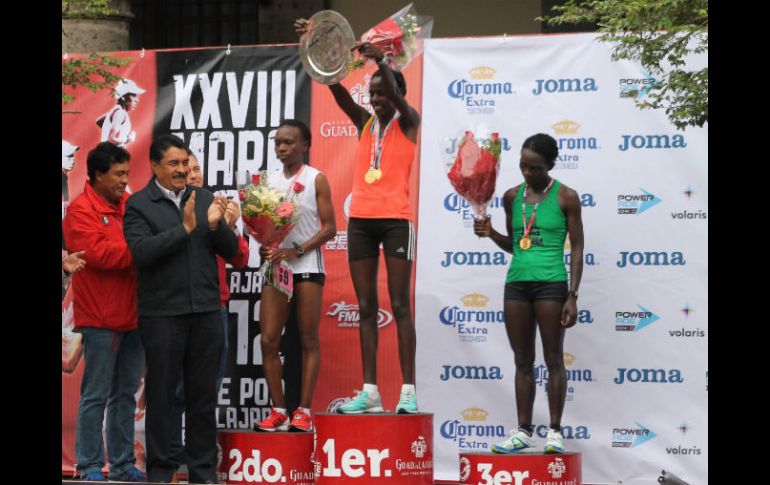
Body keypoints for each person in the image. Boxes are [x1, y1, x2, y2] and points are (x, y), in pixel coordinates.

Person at [295, 20, 421, 414]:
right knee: (366, 307)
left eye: (385, 93)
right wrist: (318, 47)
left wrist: (381, 61)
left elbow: (400, 102)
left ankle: (408, 391)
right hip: (362, 223)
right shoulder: (365, 123)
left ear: (398, 94)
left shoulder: (409, 124)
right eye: (374, 94)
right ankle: (370, 391)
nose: (378, 99)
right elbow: (337, 90)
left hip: (396, 221)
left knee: (399, 305)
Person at [123, 134, 238, 484]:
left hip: (205, 312)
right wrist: (186, 228)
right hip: (162, 315)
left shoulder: (202, 197)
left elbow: (231, 251)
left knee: (203, 399)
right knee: (161, 397)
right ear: (155, 166)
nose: (182, 170)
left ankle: (203, 472)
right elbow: (141, 253)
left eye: (185, 163)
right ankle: (160, 471)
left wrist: (217, 225)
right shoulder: (139, 205)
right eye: (173, 164)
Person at [473, 133, 584, 454]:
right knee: (522, 360)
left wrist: (572, 295)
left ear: (549, 165)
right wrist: (491, 233)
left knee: (553, 359)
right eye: (523, 165)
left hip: (551, 284)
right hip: (517, 284)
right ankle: (523, 431)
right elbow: (514, 244)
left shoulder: (566, 197)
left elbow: (577, 248)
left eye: (534, 167)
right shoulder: (511, 197)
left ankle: (555, 432)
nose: (527, 172)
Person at [62, 142, 147, 481]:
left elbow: (132, 244)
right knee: (96, 394)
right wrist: (142, 248)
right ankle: (89, 464)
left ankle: (124, 462)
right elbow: (99, 254)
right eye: (118, 174)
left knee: (125, 394)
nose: (125, 180)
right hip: (99, 318)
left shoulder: (130, 205)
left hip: (134, 315)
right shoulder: (80, 211)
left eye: (127, 173)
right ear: (98, 174)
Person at [168, 152, 250, 476]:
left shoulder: (217, 205)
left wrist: (228, 227)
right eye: (187, 169)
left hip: (214, 308)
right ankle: (172, 461)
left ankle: (199, 463)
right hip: (176, 311)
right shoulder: (165, 211)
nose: (194, 174)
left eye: (198, 168)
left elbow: (241, 259)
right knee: (174, 390)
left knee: (206, 392)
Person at [254, 119, 336, 432]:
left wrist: (297, 251)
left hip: (307, 267)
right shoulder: (267, 181)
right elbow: (261, 226)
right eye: (278, 142)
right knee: (269, 339)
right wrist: (265, 246)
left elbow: (330, 228)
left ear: (305, 145)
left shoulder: (317, 179)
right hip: (277, 268)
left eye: (289, 142)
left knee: (307, 339)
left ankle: (303, 410)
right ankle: (278, 410)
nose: (282, 148)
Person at [99, 79, 145, 148]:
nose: (137, 100)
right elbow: (111, 139)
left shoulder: (117, 111)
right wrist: (127, 139)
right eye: (133, 95)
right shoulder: (120, 113)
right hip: (111, 154)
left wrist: (107, 128)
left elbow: (99, 121)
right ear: (123, 97)